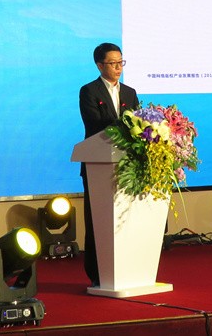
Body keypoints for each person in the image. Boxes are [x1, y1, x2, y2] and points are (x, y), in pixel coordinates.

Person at [78, 42, 139, 286]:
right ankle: (97, 273)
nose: (118, 67)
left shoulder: (130, 93)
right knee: (97, 220)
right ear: (99, 65)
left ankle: (127, 269)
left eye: (120, 62)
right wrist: (125, 126)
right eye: (113, 63)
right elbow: (94, 124)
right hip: (98, 165)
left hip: (126, 167)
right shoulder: (89, 91)